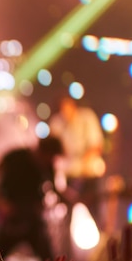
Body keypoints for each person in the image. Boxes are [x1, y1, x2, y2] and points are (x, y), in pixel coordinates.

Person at [0, 136, 65, 261]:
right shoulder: (16, 157)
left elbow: (57, 191)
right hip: (12, 216)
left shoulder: (48, 166)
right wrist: (0, 202)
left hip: (32, 218)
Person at [48, 94, 105, 227]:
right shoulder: (57, 122)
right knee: (67, 215)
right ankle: (65, 247)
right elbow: (52, 149)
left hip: (89, 175)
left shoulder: (87, 117)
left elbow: (96, 145)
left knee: (95, 212)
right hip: (70, 177)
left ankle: (103, 240)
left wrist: (83, 165)